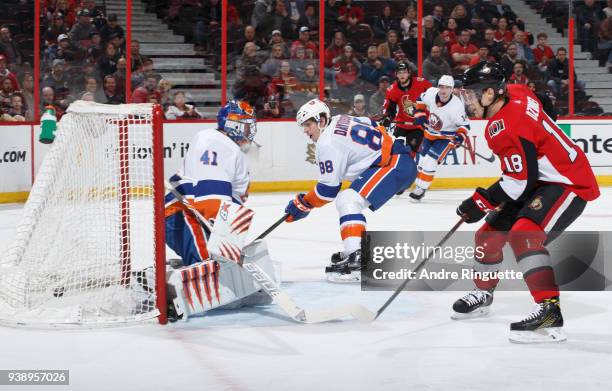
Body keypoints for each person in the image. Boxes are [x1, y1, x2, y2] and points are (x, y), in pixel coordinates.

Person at [453, 61, 600, 343]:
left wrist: (479, 202)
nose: (466, 101)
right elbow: (542, 99)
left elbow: (520, 180)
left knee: (525, 235)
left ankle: (549, 312)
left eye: (470, 94)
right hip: (540, 180)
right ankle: (483, 293)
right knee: (487, 236)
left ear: (489, 95)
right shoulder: (516, 90)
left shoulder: (503, 127)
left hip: (568, 181)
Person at [283, 99, 416, 282]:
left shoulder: (327, 144)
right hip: (394, 159)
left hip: (395, 163)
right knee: (348, 199)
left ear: (321, 121)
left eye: (308, 125)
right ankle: (355, 251)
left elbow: (328, 191)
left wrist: (304, 203)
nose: (305, 131)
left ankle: (358, 260)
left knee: (348, 200)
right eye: (303, 126)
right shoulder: (339, 118)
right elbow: (371, 122)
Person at [165, 100, 256, 266]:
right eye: (246, 125)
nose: (249, 130)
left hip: (190, 214)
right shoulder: (215, 140)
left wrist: (229, 239)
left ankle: (177, 272)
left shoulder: (233, 151)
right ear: (232, 124)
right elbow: (209, 198)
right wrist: (226, 239)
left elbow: (235, 200)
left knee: (213, 264)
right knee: (207, 267)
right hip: (182, 213)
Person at [409, 75, 469, 201]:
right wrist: (419, 114)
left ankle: (421, 188)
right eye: (441, 86)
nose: (443, 90)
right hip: (429, 134)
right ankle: (419, 185)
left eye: (447, 87)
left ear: (452, 89)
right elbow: (420, 100)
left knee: (431, 161)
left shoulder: (456, 107)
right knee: (421, 162)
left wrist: (459, 137)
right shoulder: (431, 93)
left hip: (446, 138)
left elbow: (465, 126)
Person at [381, 61, 432, 154]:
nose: (402, 75)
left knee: (412, 149)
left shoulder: (421, 83)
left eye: (404, 72)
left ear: (409, 73)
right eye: (399, 72)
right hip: (401, 125)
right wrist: (387, 117)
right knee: (394, 149)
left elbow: (434, 97)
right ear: (396, 74)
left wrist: (430, 115)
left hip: (419, 125)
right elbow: (390, 109)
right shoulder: (392, 90)